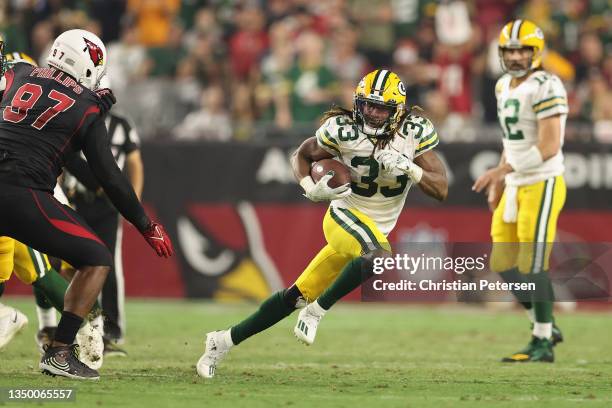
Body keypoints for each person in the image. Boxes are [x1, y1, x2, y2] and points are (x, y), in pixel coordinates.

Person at [196, 69, 448, 378]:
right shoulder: (343, 130)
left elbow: (441, 188)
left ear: (397, 112)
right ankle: (316, 311)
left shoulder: (413, 132)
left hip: (372, 230)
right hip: (344, 215)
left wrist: (410, 168)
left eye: (380, 108)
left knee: (295, 295)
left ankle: (221, 341)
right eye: (366, 104)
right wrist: (308, 186)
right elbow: (301, 155)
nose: (370, 112)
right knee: (378, 256)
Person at [0, 29, 173, 380]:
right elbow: (108, 176)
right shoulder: (88, 107)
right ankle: (60, 352)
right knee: (96, 257)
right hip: (21, 192)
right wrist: (145, 224)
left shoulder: (17, 72)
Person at [473, 20, 568, 363]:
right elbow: (509, 141)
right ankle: (544, 324)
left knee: (532, 263)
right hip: (514, 183)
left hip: (541, 181)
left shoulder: (547, 84)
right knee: (502, 261)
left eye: (521, 50)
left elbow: (549, 144)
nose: (514, 56)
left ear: (536, 52)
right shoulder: (502, 86)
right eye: (509, 50)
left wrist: (502, 171)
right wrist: (501, 177)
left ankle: (542, 341)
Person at [63, 107, 144, 357]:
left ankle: (110, 328)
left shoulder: (121, 123)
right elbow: (65, 159)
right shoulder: (74, 116)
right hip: (76, 199)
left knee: (108, 266)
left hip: (108, 203)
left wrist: (133, 203)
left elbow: (134, 162)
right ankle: (86, 323)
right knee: (69, 267)